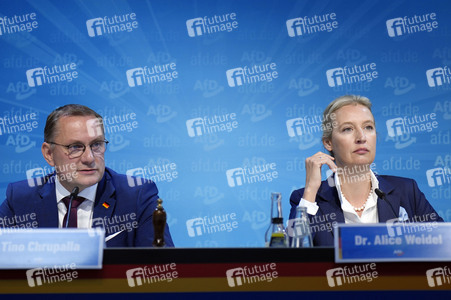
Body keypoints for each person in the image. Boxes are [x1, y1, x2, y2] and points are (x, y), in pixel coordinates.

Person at [0, 104, 174, 247]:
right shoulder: (21, 198)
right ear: (49, 154)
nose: (89, 158)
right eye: (74, 147)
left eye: (96, 144)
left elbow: (161, 272)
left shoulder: (137, 196)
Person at [289, 95, 443, 246]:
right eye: (348, 129)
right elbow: (292, 258)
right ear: (328, 143)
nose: (361, 137)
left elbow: (443, 247)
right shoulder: (307, 199)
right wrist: (310, 191)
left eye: (368, 127)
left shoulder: (407, 191)